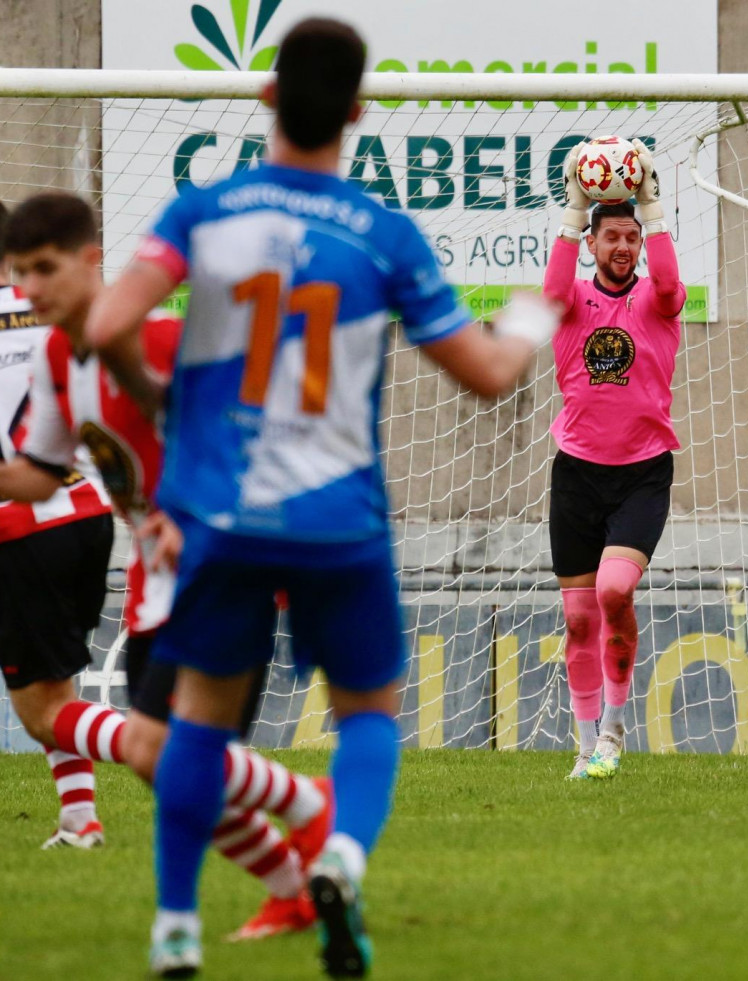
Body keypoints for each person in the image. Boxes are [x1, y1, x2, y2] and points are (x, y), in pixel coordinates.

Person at [85, 16, 559, 979]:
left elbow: (106, 319)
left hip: (224, 515)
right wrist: (530, 315)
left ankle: (175, 929)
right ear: (356, 113)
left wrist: (157, 397)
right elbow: (488, 375)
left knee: (201, 719)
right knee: (369, 714)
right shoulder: (382, 234)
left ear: (265, 98)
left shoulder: (202, 210)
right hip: (339, 521)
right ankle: (339, 857)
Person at [0, 191, 333, 942]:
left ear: (92, 261)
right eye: (20, 273)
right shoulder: (57, 354)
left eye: (45, 269)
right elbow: (39, 473)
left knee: (174, 758)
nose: (30, 291)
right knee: (159, 760)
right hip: (157, 580)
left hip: (227, 569)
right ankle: (298, 858)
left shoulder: (166, 341)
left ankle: (306, 828)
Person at [544, 141, 686, 781]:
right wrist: (573, 212)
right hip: (576, 472)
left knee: (613, 591)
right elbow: (550, 288)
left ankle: (614, 733)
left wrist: (653, 208)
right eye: (613, 237)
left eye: (631, 237)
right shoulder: (572, 301)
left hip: (642, 473)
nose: (623, 247)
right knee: (578, 620)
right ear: (595, 244)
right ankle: (584, 748)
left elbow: (671, 280)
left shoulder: (658, 301)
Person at [0, 198, 116, 849]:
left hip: (21, 524)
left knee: (42, 712)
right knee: (55, 686)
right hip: (89, 514)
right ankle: (79, 818)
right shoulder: (56, 316)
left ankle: (173, 752)